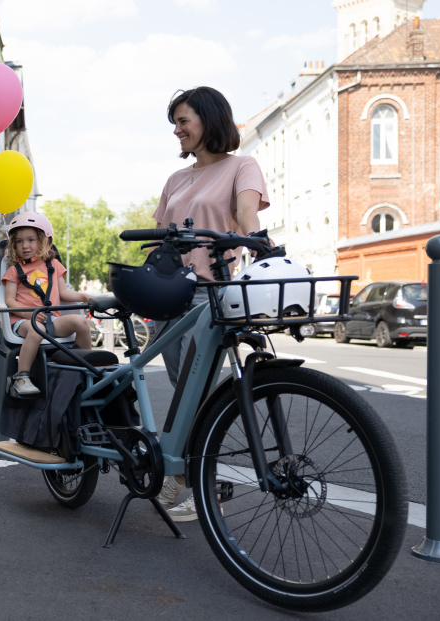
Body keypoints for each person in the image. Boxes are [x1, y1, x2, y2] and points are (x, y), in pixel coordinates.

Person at [150, 87, 270, 521]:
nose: (177, 131)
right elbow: (161, 235)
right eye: (175, 124)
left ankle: (200, 486)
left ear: (209, 119)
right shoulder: (175, 180)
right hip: (168, 292)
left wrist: (258, 245)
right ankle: (178, 478)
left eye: (183, 121)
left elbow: (247, 215)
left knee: (196, 392)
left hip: (210, 291)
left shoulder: (242, 166)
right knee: (184, 390)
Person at [1, 212, 91, 395]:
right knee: (37, 330)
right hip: (23, 321)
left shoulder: (54, 265)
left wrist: (85, 297)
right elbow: (9, 300)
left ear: (44, 241)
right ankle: (21, 377)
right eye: (19, 241)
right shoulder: (13, 270)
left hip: (51, 319)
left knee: (81, 322)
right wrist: (28, 314)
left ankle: (84, 365)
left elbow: (64, 293)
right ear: (13, 245)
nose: (25, 245)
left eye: (31, 240)